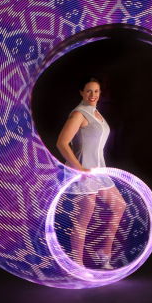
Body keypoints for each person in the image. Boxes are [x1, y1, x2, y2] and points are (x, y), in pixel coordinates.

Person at [56, 76, 127, 269]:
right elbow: (62, 143)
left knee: (119, 206)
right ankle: (77, 265)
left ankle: (104, 254)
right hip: (83, 172)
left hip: (98, 171)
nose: (93, 94)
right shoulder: (79, 114)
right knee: (83, 218)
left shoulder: (96, 113)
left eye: (96, 91)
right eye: (88, 91)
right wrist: (79, 169)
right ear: (81, 92)